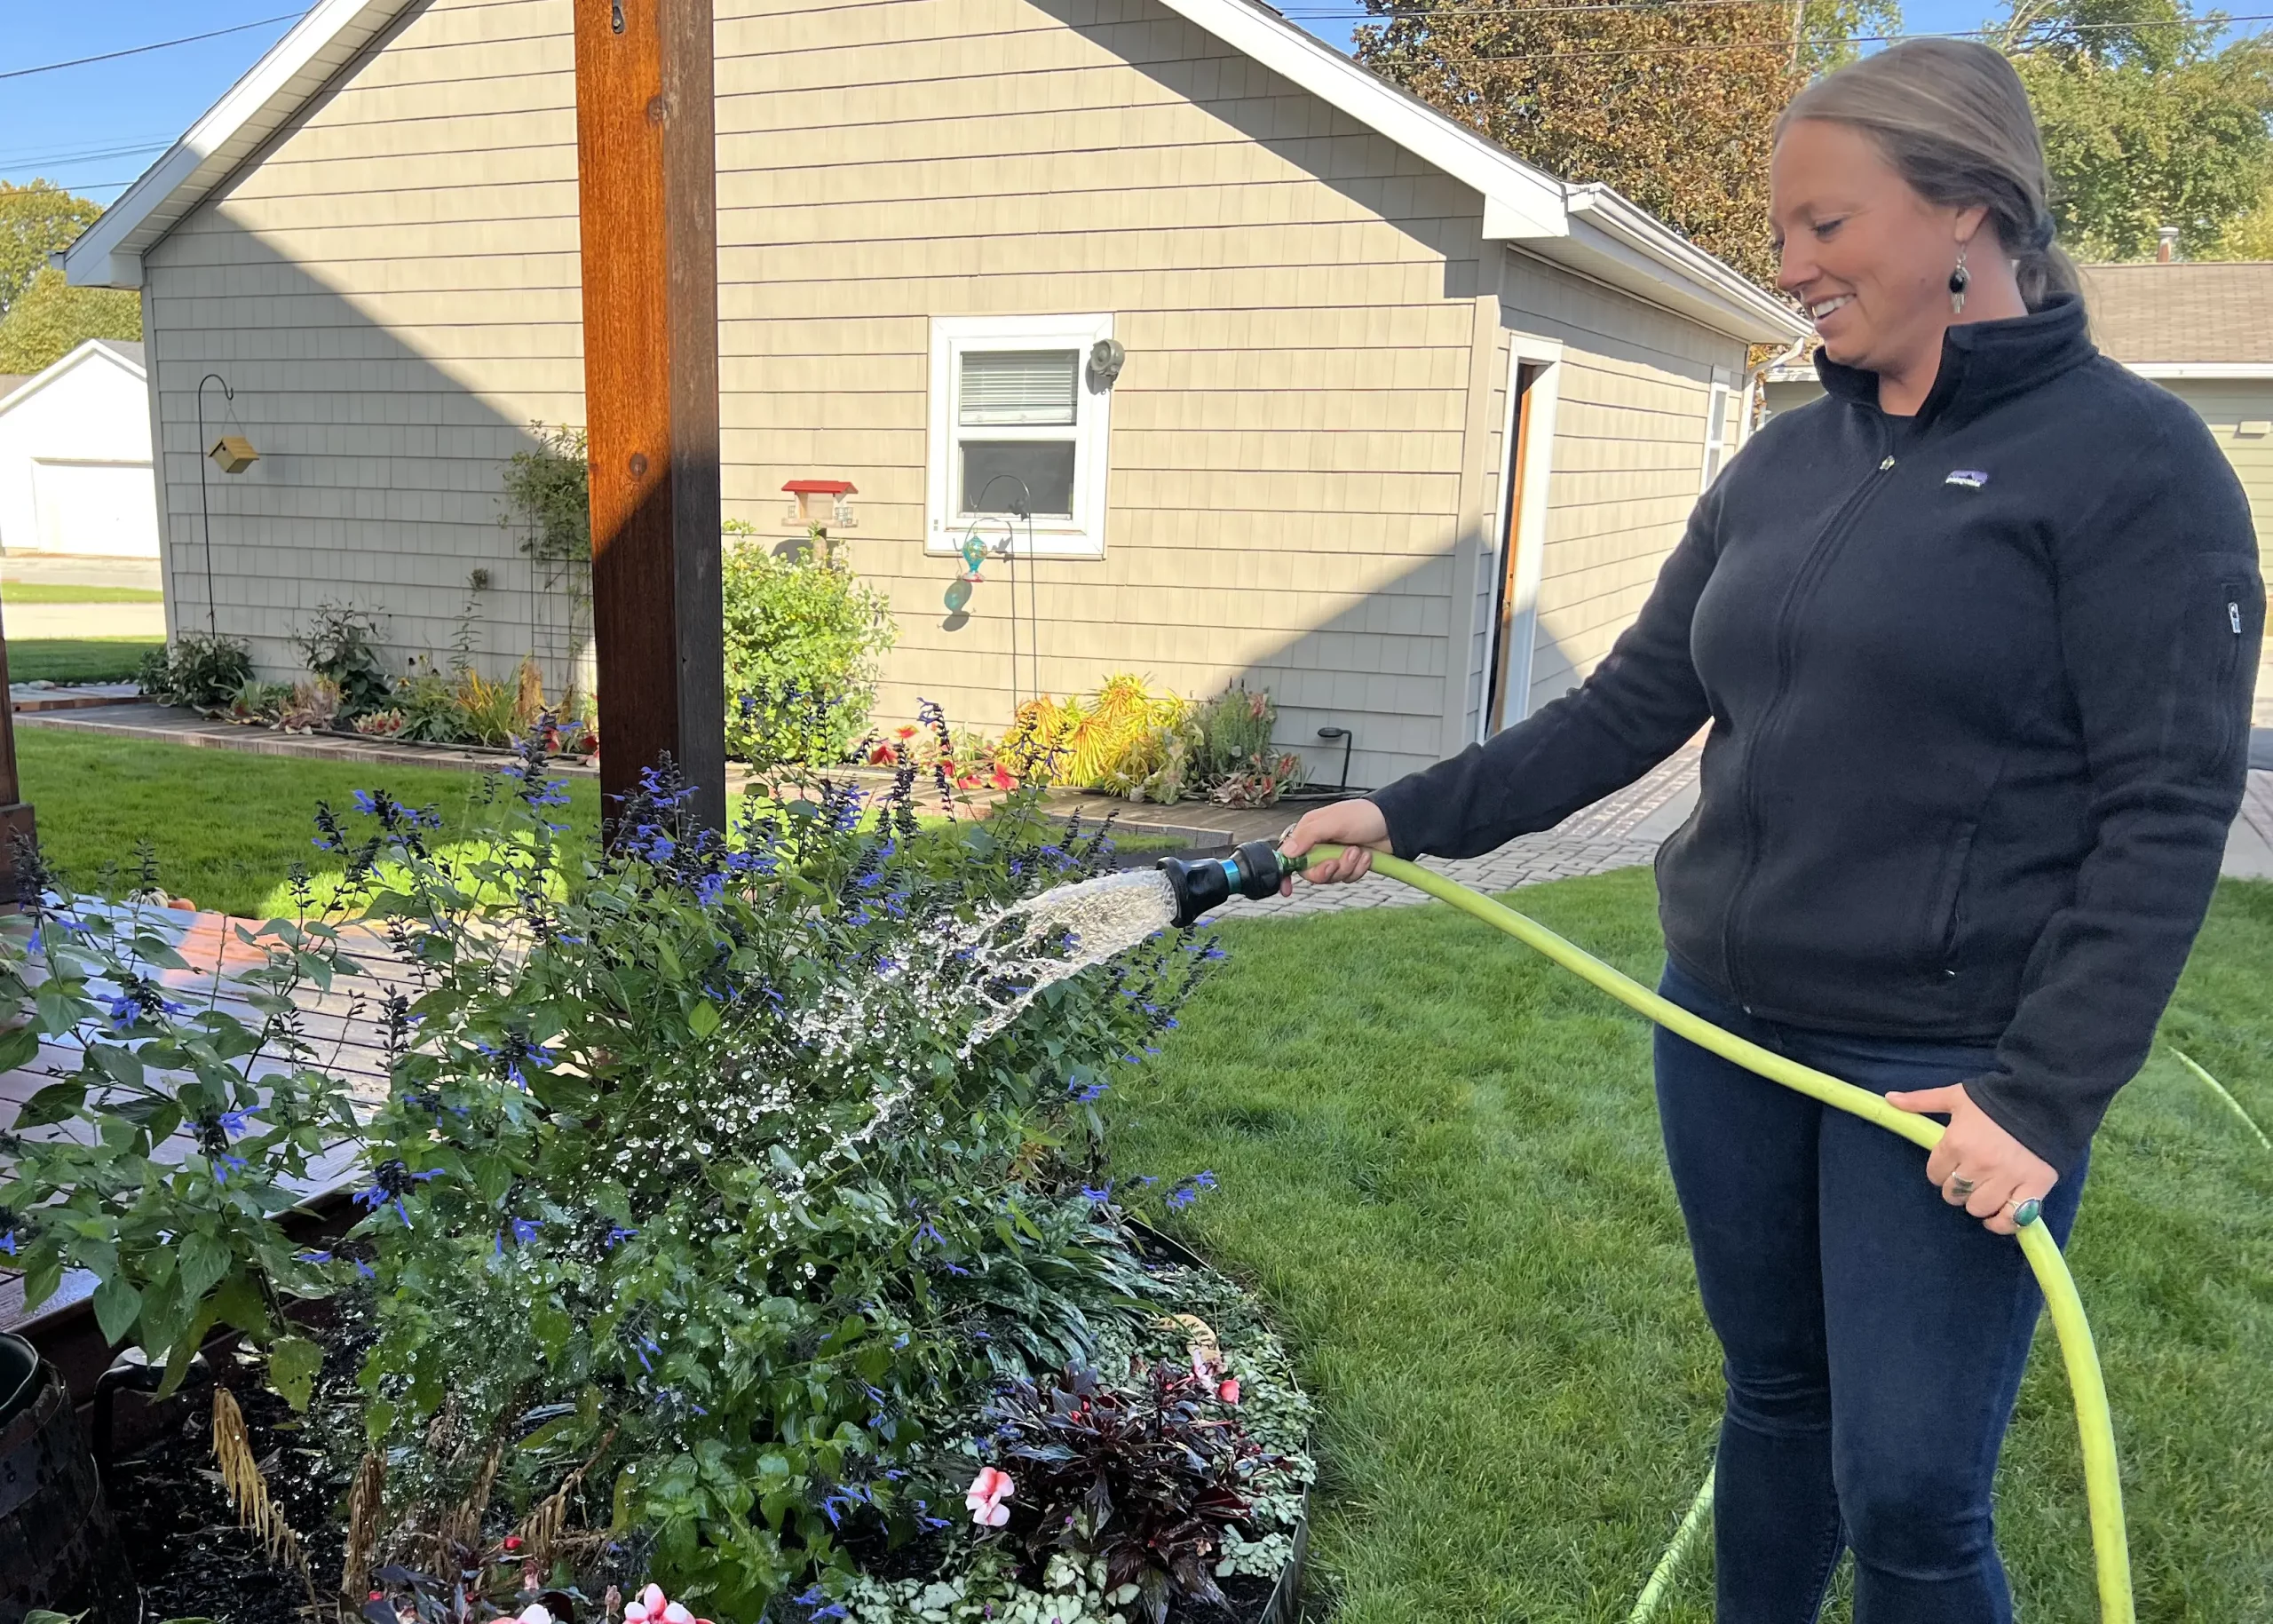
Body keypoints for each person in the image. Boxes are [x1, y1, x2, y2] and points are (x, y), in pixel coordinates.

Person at [1280, 36, 2261, 1624]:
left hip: (1942, 1072)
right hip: (1724, 1030)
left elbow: (2166, 814)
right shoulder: (1787, 465)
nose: (1789, 266)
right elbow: (1628, 710)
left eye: (1826, 225)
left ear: (1966, 211)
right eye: (1782, 231)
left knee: (1914, 1496)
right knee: (1775, 1410)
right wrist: (1405, 811)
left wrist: (2046, 1094)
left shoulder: (2138, 470)